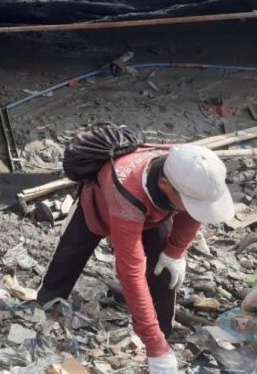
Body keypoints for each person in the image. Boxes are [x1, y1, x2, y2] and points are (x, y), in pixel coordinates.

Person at [36, 144, 235, 374]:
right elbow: (131, 273)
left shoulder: (188, 166)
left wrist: (176, 250)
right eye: (189, 202)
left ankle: (164, 336)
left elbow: (196, 210)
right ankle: (43, 306)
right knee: (67, 261)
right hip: (100, 206)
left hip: (154, 212)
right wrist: (153, 345)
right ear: (164, 184)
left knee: (164, 272)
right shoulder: (127, 196)